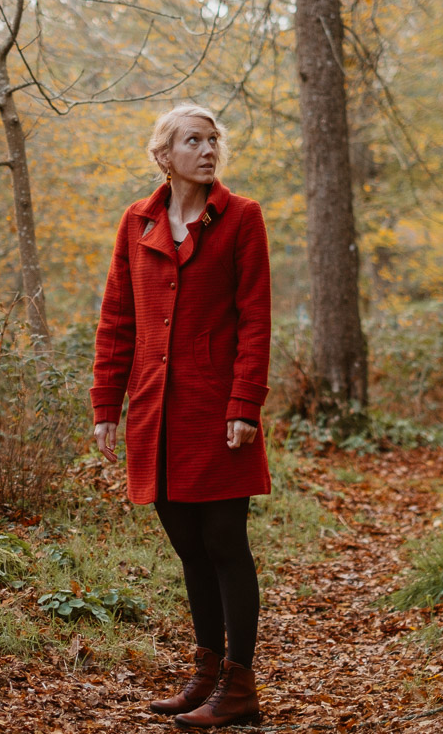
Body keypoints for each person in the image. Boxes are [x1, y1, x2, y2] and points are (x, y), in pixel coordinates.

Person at [90, 104, 271, 729]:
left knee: (225, 542)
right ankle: (205, 672)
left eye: (213, 140)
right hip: (154, 411)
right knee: (188, 546)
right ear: (164, 155)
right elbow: (117, 318)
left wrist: (245, 404)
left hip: (218, 410)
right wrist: (105, 407)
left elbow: (255, 319)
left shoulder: (242, 218)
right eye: (193, 140)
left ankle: (240, 686)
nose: (207, 150)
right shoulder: (136, 221)